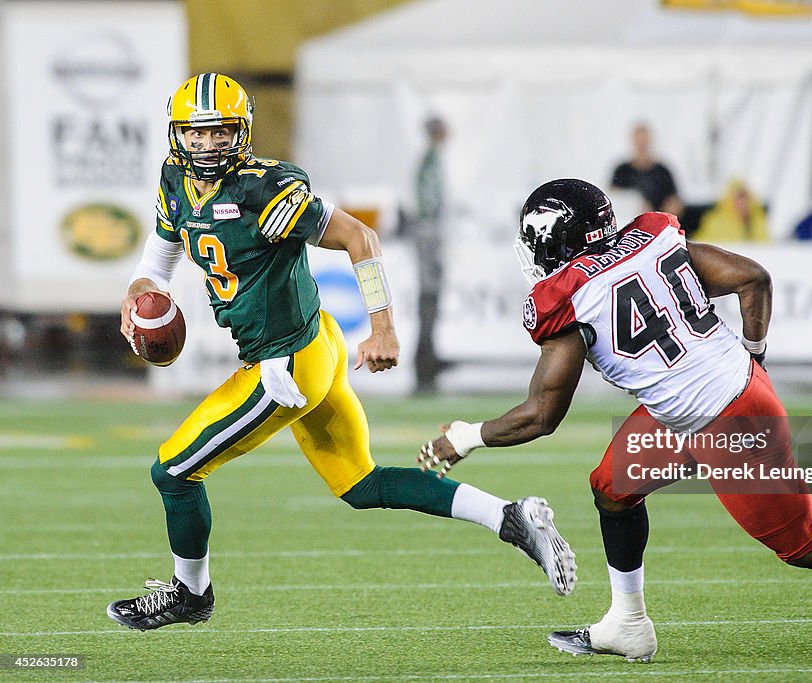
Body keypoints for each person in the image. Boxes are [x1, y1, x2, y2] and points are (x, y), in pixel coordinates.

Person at [418, 178, 812, 662]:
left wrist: (465, 437)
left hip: (725, 420)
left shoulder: (572, 297)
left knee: (804, 544)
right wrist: (754, 355)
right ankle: (628, 623)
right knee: (612, 487)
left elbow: (543, 415)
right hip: (718, 397)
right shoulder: (652, 240)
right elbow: (754, 279)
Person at [107, 74, 576, 631]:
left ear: (243, 132)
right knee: (361, 484)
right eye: (197, 133)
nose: (208, 146)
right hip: (315, 343)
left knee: (173, 472)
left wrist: (382, 327)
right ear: (178, 135)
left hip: (284, 366)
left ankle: (190, 594)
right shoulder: (175, 178)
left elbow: (361, 237)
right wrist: (139, 295)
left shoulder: (264, 188)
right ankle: (511, 517)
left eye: (220, 132)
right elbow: (159, 257)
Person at [412, 116, 450, 393]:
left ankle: (427, 356)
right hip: (429, 234)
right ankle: (425, 359)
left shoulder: (431, 160)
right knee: (429, 294)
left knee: (431, 297)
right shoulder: (430, 161)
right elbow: (428, 203)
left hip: (429, 233)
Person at [611, 123, 684, 216]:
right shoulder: (622, 171)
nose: (642, 145)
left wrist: (662, 214)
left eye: (644, 141)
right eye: (639, 141)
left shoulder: (662, 171)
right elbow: (615, 199)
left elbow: (675, 202)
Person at [696, 179, 770, 243]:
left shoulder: (759, 221)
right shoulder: (715, 221)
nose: (742, 205)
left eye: (745, 200)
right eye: (738, 200)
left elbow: (766, 246)